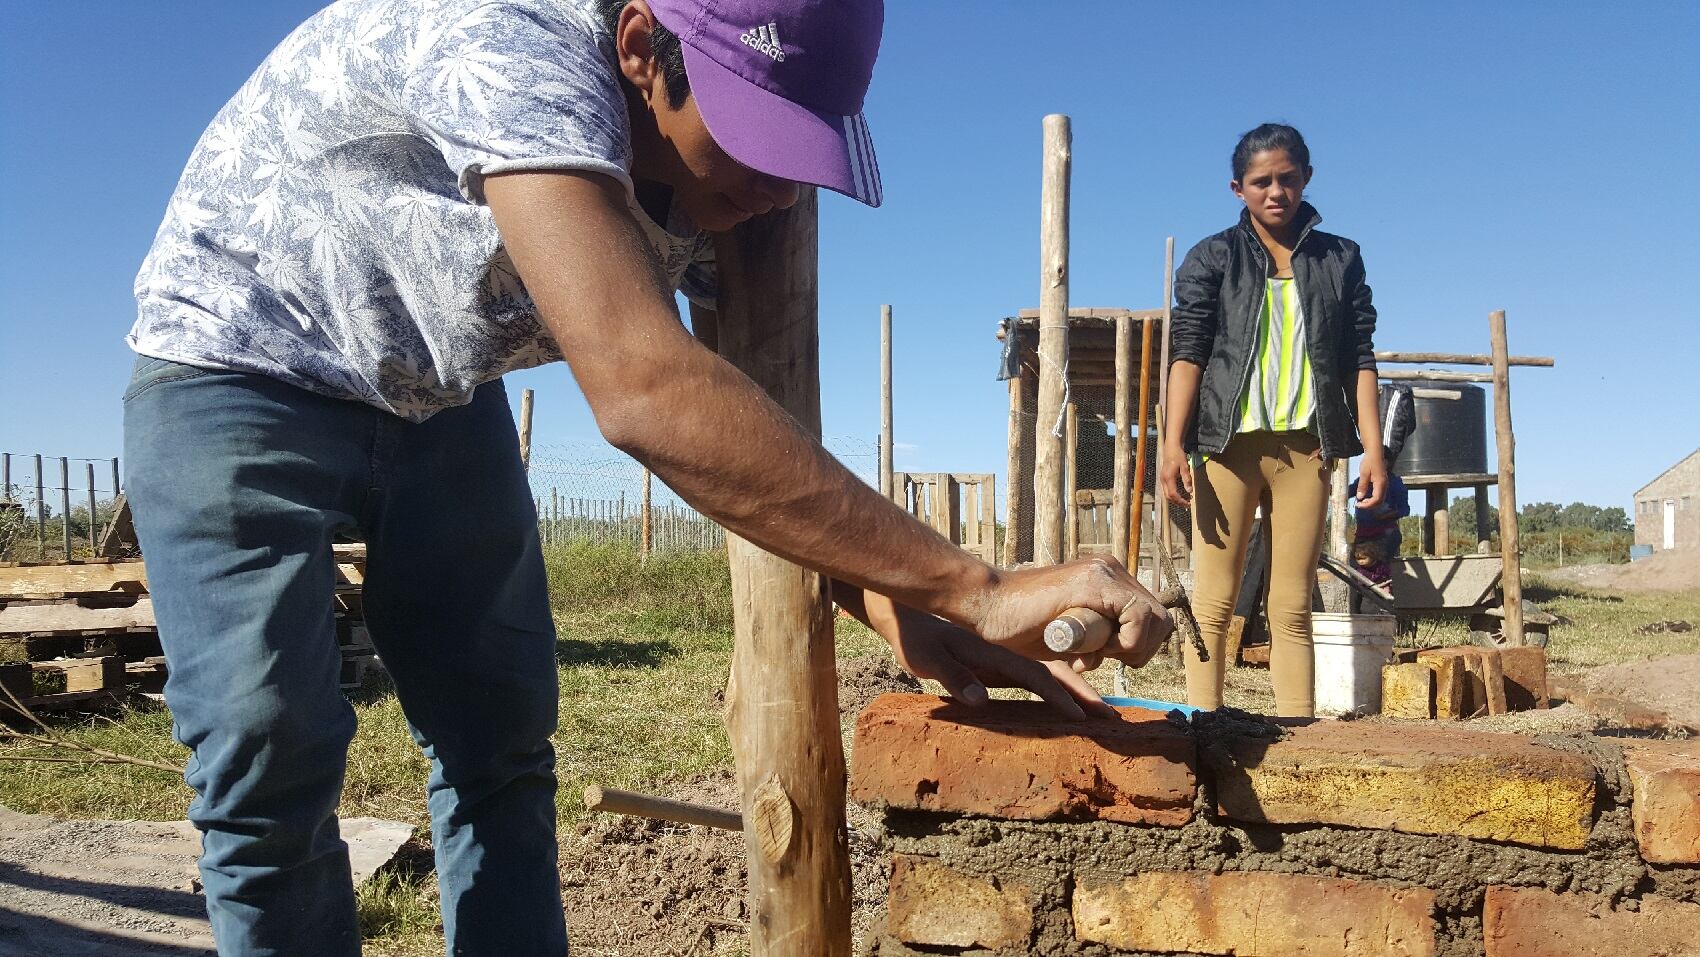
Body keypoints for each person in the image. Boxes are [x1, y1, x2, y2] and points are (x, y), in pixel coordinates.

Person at [123, 1, 1172, 953]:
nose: (774, 186)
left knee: (499, 748)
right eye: (755, 134)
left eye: (798, 144)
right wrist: (969, 588)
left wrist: (893, 596)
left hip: (439, 396)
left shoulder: (721, 187)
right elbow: (645, 389)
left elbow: (743, 439)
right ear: (638, 49)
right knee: (268, 765)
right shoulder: (511, 42)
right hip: (238, 363)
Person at [1159, 123, 1386, 718]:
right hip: (1225, 449)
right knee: (1212, 600)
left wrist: (1374, 451)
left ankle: (1296, 732)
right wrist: (1171, 444)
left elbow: (1358, 357)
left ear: (1307, 178)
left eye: (1287, 178)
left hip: (1305, 452)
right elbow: (1188, 354)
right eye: (1261, 182)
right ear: (1238, 188)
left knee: (1291, 604)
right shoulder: (1214, 257)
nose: (1276, 191)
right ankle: (1203, 731)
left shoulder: (1340, 258)